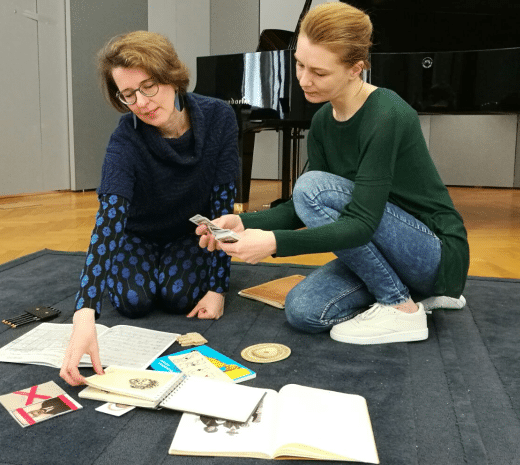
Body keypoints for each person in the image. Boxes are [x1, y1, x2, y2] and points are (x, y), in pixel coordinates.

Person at [197, 2, 469, 345]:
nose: (303, 79)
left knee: (312, 187)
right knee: (304, 310)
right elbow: (301, 209)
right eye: (299, 64)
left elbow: (359, 223)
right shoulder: (324, 120)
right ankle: (418, 295)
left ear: (356, 69)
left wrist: (273, 244)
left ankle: (400, 308)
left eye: (319, 72)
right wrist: (247, 224)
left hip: (434, 252)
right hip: (385, 251)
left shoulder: (387, 114)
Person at [60, 31, 239, 385]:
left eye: (149, 86)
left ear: (171, 76)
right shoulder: (125, 137)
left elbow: (223, 207)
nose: (141, 102)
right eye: (128, 95)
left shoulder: (218, 118)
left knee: (179, 296)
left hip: (187, 234)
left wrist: (218, 289)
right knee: (132, 301)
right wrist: (84, 315)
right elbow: (109, 219)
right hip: (137, 234)